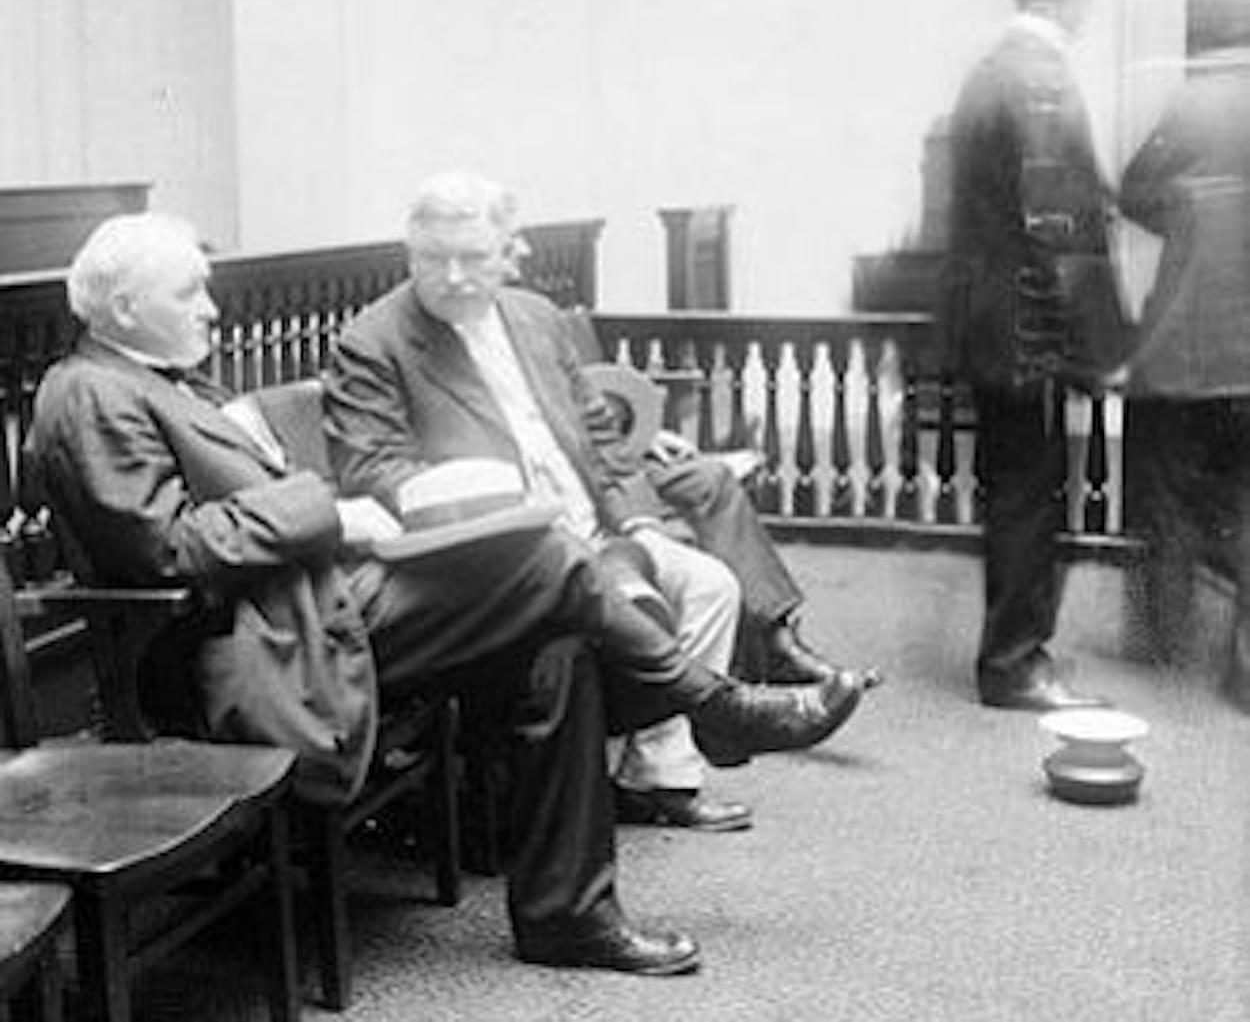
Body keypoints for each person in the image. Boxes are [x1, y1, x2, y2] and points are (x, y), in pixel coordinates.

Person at [30, 211, 863, 976]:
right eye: (190, 292)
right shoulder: (90, 393)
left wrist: (345, 516)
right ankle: (706, 704)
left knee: (557, 639)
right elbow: (167, 550)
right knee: (546, 561)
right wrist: (326, 509)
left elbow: (232, 514)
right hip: (260, 644)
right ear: (124, 307)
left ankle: (568, 915)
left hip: (319, 606)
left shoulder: (164, 377)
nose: (211, 308)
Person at [323, 172, 873, 835]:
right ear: (409, 255)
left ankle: (659, 779)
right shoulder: (373, 341)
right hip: (495, 550)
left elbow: (597, 432)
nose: (455, 276)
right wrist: (488, 493)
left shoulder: (534, 317)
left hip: (594, 524)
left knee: (712, 583)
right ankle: (721, 712)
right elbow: (371, 466)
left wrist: (639, 519)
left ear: (507, 251)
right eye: (433, 259)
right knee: (623, 603)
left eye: (473, 258)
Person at [937, 0, 1128, 711]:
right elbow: (1059, 224)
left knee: (1013, 483)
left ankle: (1017, 649)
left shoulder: (990, 71)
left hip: (991, 315)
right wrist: (1100, 341)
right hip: (1028, 322)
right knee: (1028, 487)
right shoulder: (1040, 76)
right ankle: (1015, 662)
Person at [1119, 0, 1250, 710]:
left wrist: (1184, 219)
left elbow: (1133, 186)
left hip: (1187, 346)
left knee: (1164, 490)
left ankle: (1165, 644)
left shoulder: (1191, 104)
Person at [580, 380, 884, 688]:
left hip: (611, 451)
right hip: (584, 466)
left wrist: (644, 436)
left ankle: (776, 637)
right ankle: (770, 653)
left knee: (714, 478)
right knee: (667, 496)